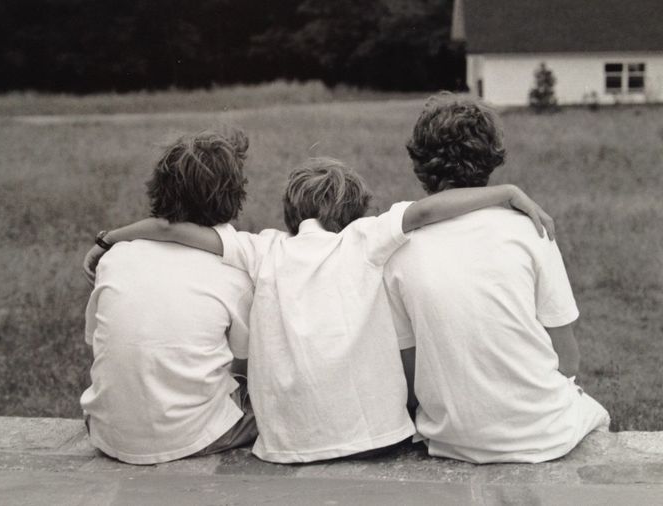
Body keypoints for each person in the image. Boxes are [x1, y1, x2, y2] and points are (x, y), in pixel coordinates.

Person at [84, 153, 553, 464]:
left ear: (291, 211)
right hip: (379, 439)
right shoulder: (365, 239)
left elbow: (172, 231)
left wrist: (112, 236)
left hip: (286, 446)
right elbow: (429, 210)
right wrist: (505, 193)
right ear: (354, 211)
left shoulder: (262, 248)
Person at [384, 96, 610, 464]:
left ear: (420, 163)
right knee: (596, 417)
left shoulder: (398, 245)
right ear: (492, 157)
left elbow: (410, 381)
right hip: (543, 434)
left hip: (449, 437)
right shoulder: (530, 229)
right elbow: (568, 360)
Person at [81, 129, 257, 465]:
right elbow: (245, 356)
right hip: (192, 436)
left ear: (159, 186)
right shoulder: (234, 271)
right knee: (266, 397)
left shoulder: (117, 258)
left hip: (103, 431)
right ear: (234, 196)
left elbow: (97, 343)